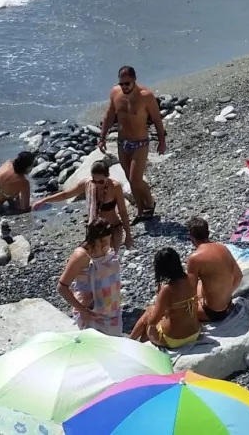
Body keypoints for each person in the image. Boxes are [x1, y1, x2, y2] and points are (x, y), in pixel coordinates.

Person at [101, 66, 166, 222]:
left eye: (127, 84)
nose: (124, 87)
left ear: (134, 80)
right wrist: (102, 136)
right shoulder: (115, 93)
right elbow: (109, 116)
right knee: (130, 180)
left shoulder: (146, 96)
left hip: (140, 142)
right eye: (121, 83)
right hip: (122, 142)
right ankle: (141, 211)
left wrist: (162, 141)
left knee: (135, 179)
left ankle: (150, 202)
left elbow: (157, 119)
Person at [32, 154, 134, 249]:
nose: (97, 184)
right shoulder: (87, 184)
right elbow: (66, 194)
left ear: (107, 176)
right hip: (95, 229)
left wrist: (128, 236)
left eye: (101, 181)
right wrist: (44, 200)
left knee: (111, 260)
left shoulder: (115, 187)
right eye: (94, 181)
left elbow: (123, 212)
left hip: (112, 228)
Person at [59, 220, 125, 335]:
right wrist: (82, 311)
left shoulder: (107, 251)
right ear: (94, 239)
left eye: (108, 239)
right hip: (91, 313)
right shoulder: (82, 256)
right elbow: (62, 287)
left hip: (113, 312)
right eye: (103, 241)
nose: (106, 244)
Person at [131, 247, 202, 349]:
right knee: (153, 315)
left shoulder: (167, 289)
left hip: (173, 340)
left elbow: (153, 321)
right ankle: (137, 344)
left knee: (147, 315)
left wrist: (159, 296)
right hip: (195, 333)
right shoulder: (191, 278)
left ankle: (129, 342)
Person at [185, 215, 242, 322]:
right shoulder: (222, 248)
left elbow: (190, 292)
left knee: (174, 305)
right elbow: (238, 276)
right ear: (208, 232)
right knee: (201, 284)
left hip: (212, 312)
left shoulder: (194, 258)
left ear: (191, 236)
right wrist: (225, 296)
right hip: (227, 304)